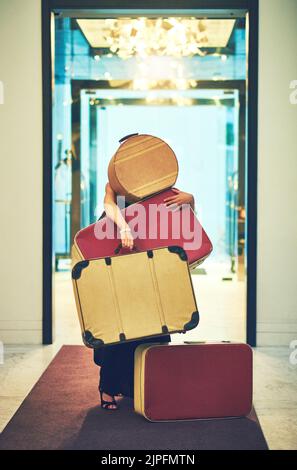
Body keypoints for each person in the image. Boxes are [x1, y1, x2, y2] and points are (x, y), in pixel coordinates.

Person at [95, 182, 195, 410]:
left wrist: (191, 200)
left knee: (152, 324)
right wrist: (124, 227)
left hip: (152, 256)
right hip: (119, 250)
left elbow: (184, 222)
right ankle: (108, 387)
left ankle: (142, 386)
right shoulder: (118, 179)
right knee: (120, 324)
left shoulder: (160, 177)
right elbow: (109, 205)